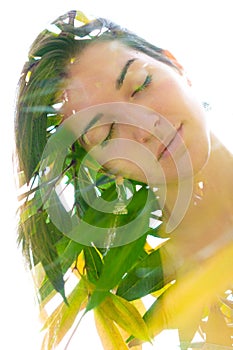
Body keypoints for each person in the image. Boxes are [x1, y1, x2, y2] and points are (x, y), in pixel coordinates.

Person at [15, 9, 233, 350]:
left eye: (140, 85)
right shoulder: (150, 326)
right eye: (108, 133)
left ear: (175, 64)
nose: (145, 126)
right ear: (105, 168)